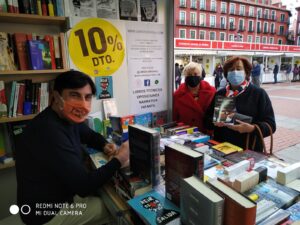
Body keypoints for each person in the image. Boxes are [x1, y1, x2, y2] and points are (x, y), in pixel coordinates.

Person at [16, 70, 129, 225]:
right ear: (56, 97)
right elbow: (84, 186)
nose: (82, 104)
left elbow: (89, 135)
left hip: (60, 194)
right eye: (74, 95)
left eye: (87, 97)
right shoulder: (49, 131)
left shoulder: (64, 117)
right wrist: (119, 159)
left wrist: (104, 144)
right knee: (116, 208)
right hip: (46, 214)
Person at [212, 56, 276, 152]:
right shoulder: (220, 93)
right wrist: (214, 122)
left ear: (246, 72)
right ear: (226, 74)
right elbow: (207, 119)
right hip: (222, 147)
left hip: (248, 150)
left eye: (239, 69)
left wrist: (252, 128)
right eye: (231, 69)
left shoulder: (258, 94)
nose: (235, 72)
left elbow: (271, 125)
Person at [173, 62, 216, 134]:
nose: (192, 76)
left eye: (195, 74)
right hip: (184, 134)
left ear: (200, 75)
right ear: (185, 76)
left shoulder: (212, 92)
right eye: (189, 74)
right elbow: (174, 117)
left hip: (206, 134)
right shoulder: (177, 95)